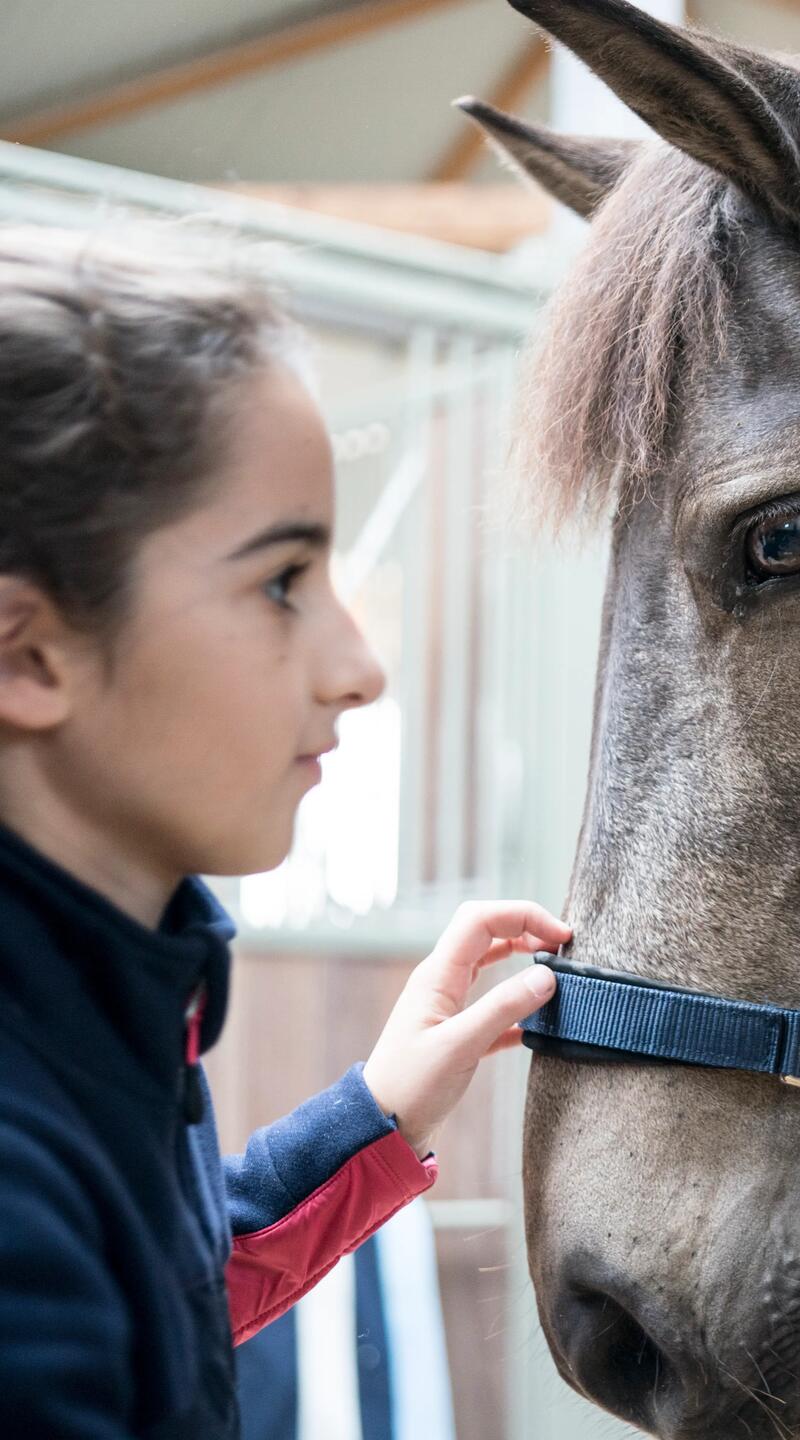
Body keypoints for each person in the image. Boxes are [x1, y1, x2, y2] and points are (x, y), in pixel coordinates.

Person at [0, 227, 566, 1438]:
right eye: (281, 582)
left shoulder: (103, 1006)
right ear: (30, 651)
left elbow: (174, 1290)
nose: (360, 667)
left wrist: (380, 1111)